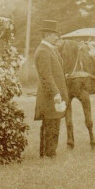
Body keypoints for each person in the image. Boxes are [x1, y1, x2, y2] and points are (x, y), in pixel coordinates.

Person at [34, 20, 68, 158]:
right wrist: (56, 93)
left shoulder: (48, 49)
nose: (57, 38)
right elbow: (46, 76)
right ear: (48, 35)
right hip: (50, 95)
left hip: (52, 94)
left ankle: (46, 154)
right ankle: (49, 155)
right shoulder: (43, 51)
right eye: (55, 35)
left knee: (51, 124)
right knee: (51, 126)